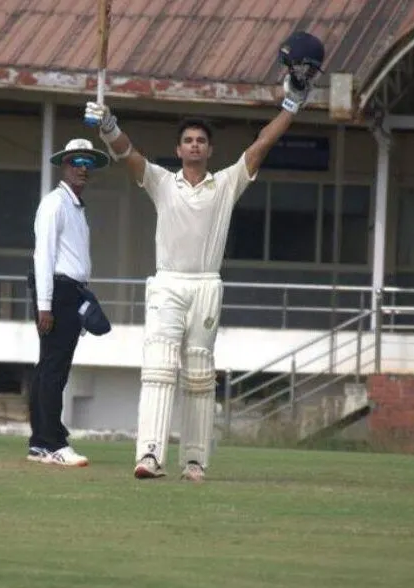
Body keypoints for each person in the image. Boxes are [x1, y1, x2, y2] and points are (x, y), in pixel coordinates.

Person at [85, 56, 318, 482]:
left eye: (200, 141)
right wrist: (109, 128)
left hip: (206, 287)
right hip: (168, 284)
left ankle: (194, 461)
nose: (194, 145)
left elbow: (261, 145)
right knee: (158, 369)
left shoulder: (226, 183)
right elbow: (129, 156)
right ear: (178, 150)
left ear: (209, 150)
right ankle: (150, 456)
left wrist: (292, 105)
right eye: (187, 140)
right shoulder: (161, 181)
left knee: (198, 375)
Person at [26, 138, 110, 467]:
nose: (82, 168)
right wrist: (44, 304)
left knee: (51, 368)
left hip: (70, 292)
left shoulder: (74, 206)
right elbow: (42, 255)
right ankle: (52, 442)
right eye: (76, 162)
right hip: (57, 290)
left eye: (87, 163)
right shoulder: (55, 203)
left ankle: (40, 443)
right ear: (65, 165)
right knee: (53, 369)